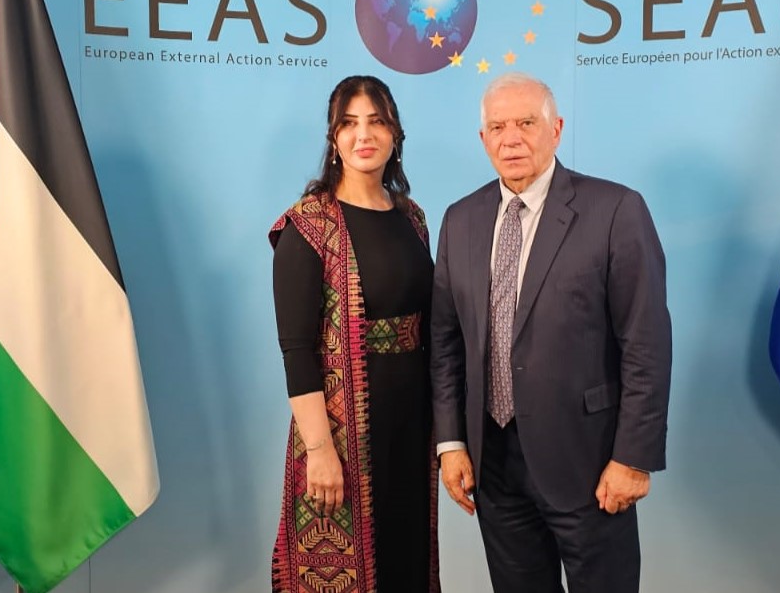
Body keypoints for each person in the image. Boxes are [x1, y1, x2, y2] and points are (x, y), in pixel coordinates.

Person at [430, 72, 672, 593]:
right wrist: (451, 443)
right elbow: (446, 346)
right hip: (493, 464)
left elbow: (646, 345)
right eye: (498, 127)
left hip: (589, 462)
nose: (511, 139)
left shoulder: (615, 210)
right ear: (483, 138)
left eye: (526, 123)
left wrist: (633, 457)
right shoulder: (460, 220)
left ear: (556, 129)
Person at [269, 75, 440, 593]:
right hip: (341, 434)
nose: (363, 135)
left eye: (376, 122)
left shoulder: (412, 218)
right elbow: (297, 351)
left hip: (411, 424)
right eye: (349, 123)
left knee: (406, 561)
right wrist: (320, 451)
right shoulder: (307, 226)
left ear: (395, 134)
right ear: (334, 139)